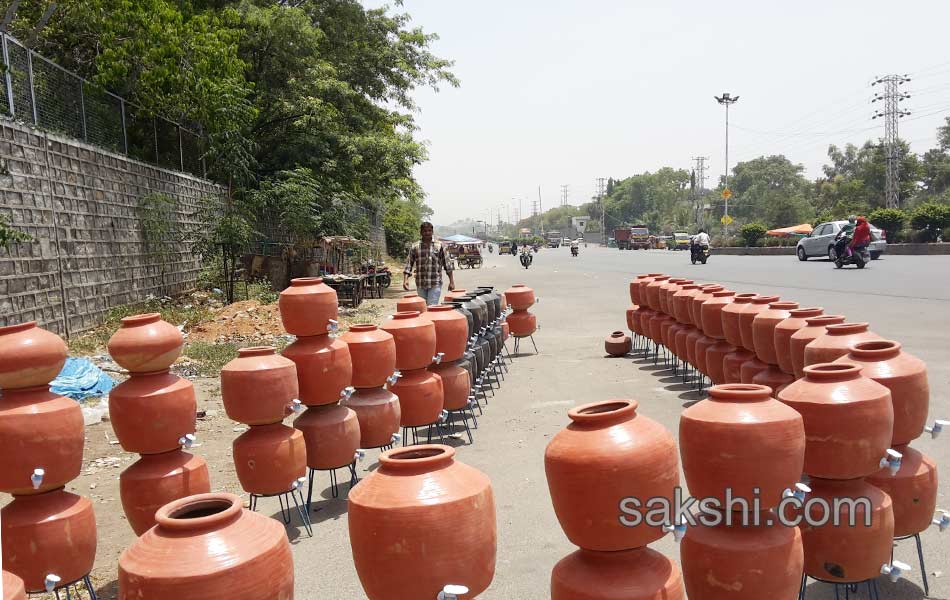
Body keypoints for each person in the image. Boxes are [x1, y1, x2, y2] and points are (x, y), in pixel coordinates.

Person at [403, 221, 455, 305]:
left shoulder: (439, 246)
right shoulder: (415, 247)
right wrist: (405, 280)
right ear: (421, 232)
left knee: (431, 307)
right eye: (425, 231)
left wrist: (451, 282)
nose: (427, 233)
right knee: (423, 308)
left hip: (435, 283)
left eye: (429, 231)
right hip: (420, 284)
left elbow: (447, 265)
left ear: (432, 231)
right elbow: (409, 264)